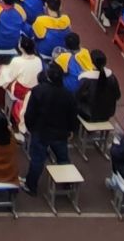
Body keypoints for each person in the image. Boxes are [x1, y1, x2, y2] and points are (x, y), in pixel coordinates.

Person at [21, 61, 78, 194]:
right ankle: (67, 183)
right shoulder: (68, 94)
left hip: (41, 132)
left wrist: (31, 128)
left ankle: (31, 186)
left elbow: (30, 113)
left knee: (37, 159)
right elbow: (72, 114)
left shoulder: (38, 91)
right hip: (60, 133)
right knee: (63, 158)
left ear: (48, 76)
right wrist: (71, 130)